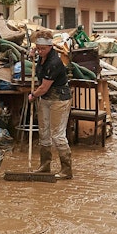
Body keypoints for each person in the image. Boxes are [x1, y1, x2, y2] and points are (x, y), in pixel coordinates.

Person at [27, 32, 74, 179]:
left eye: (43, 49)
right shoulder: (41, 57)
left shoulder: (54, 62)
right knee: (44, 132)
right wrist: (32, 54)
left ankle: (66, 170)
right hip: (45, 99)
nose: (40, 51)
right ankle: (44, 165)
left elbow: (44, 87)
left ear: (50, 47)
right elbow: (36, 58)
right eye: (38, 48)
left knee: (57, 134)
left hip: (59, 99)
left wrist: (33, 95)